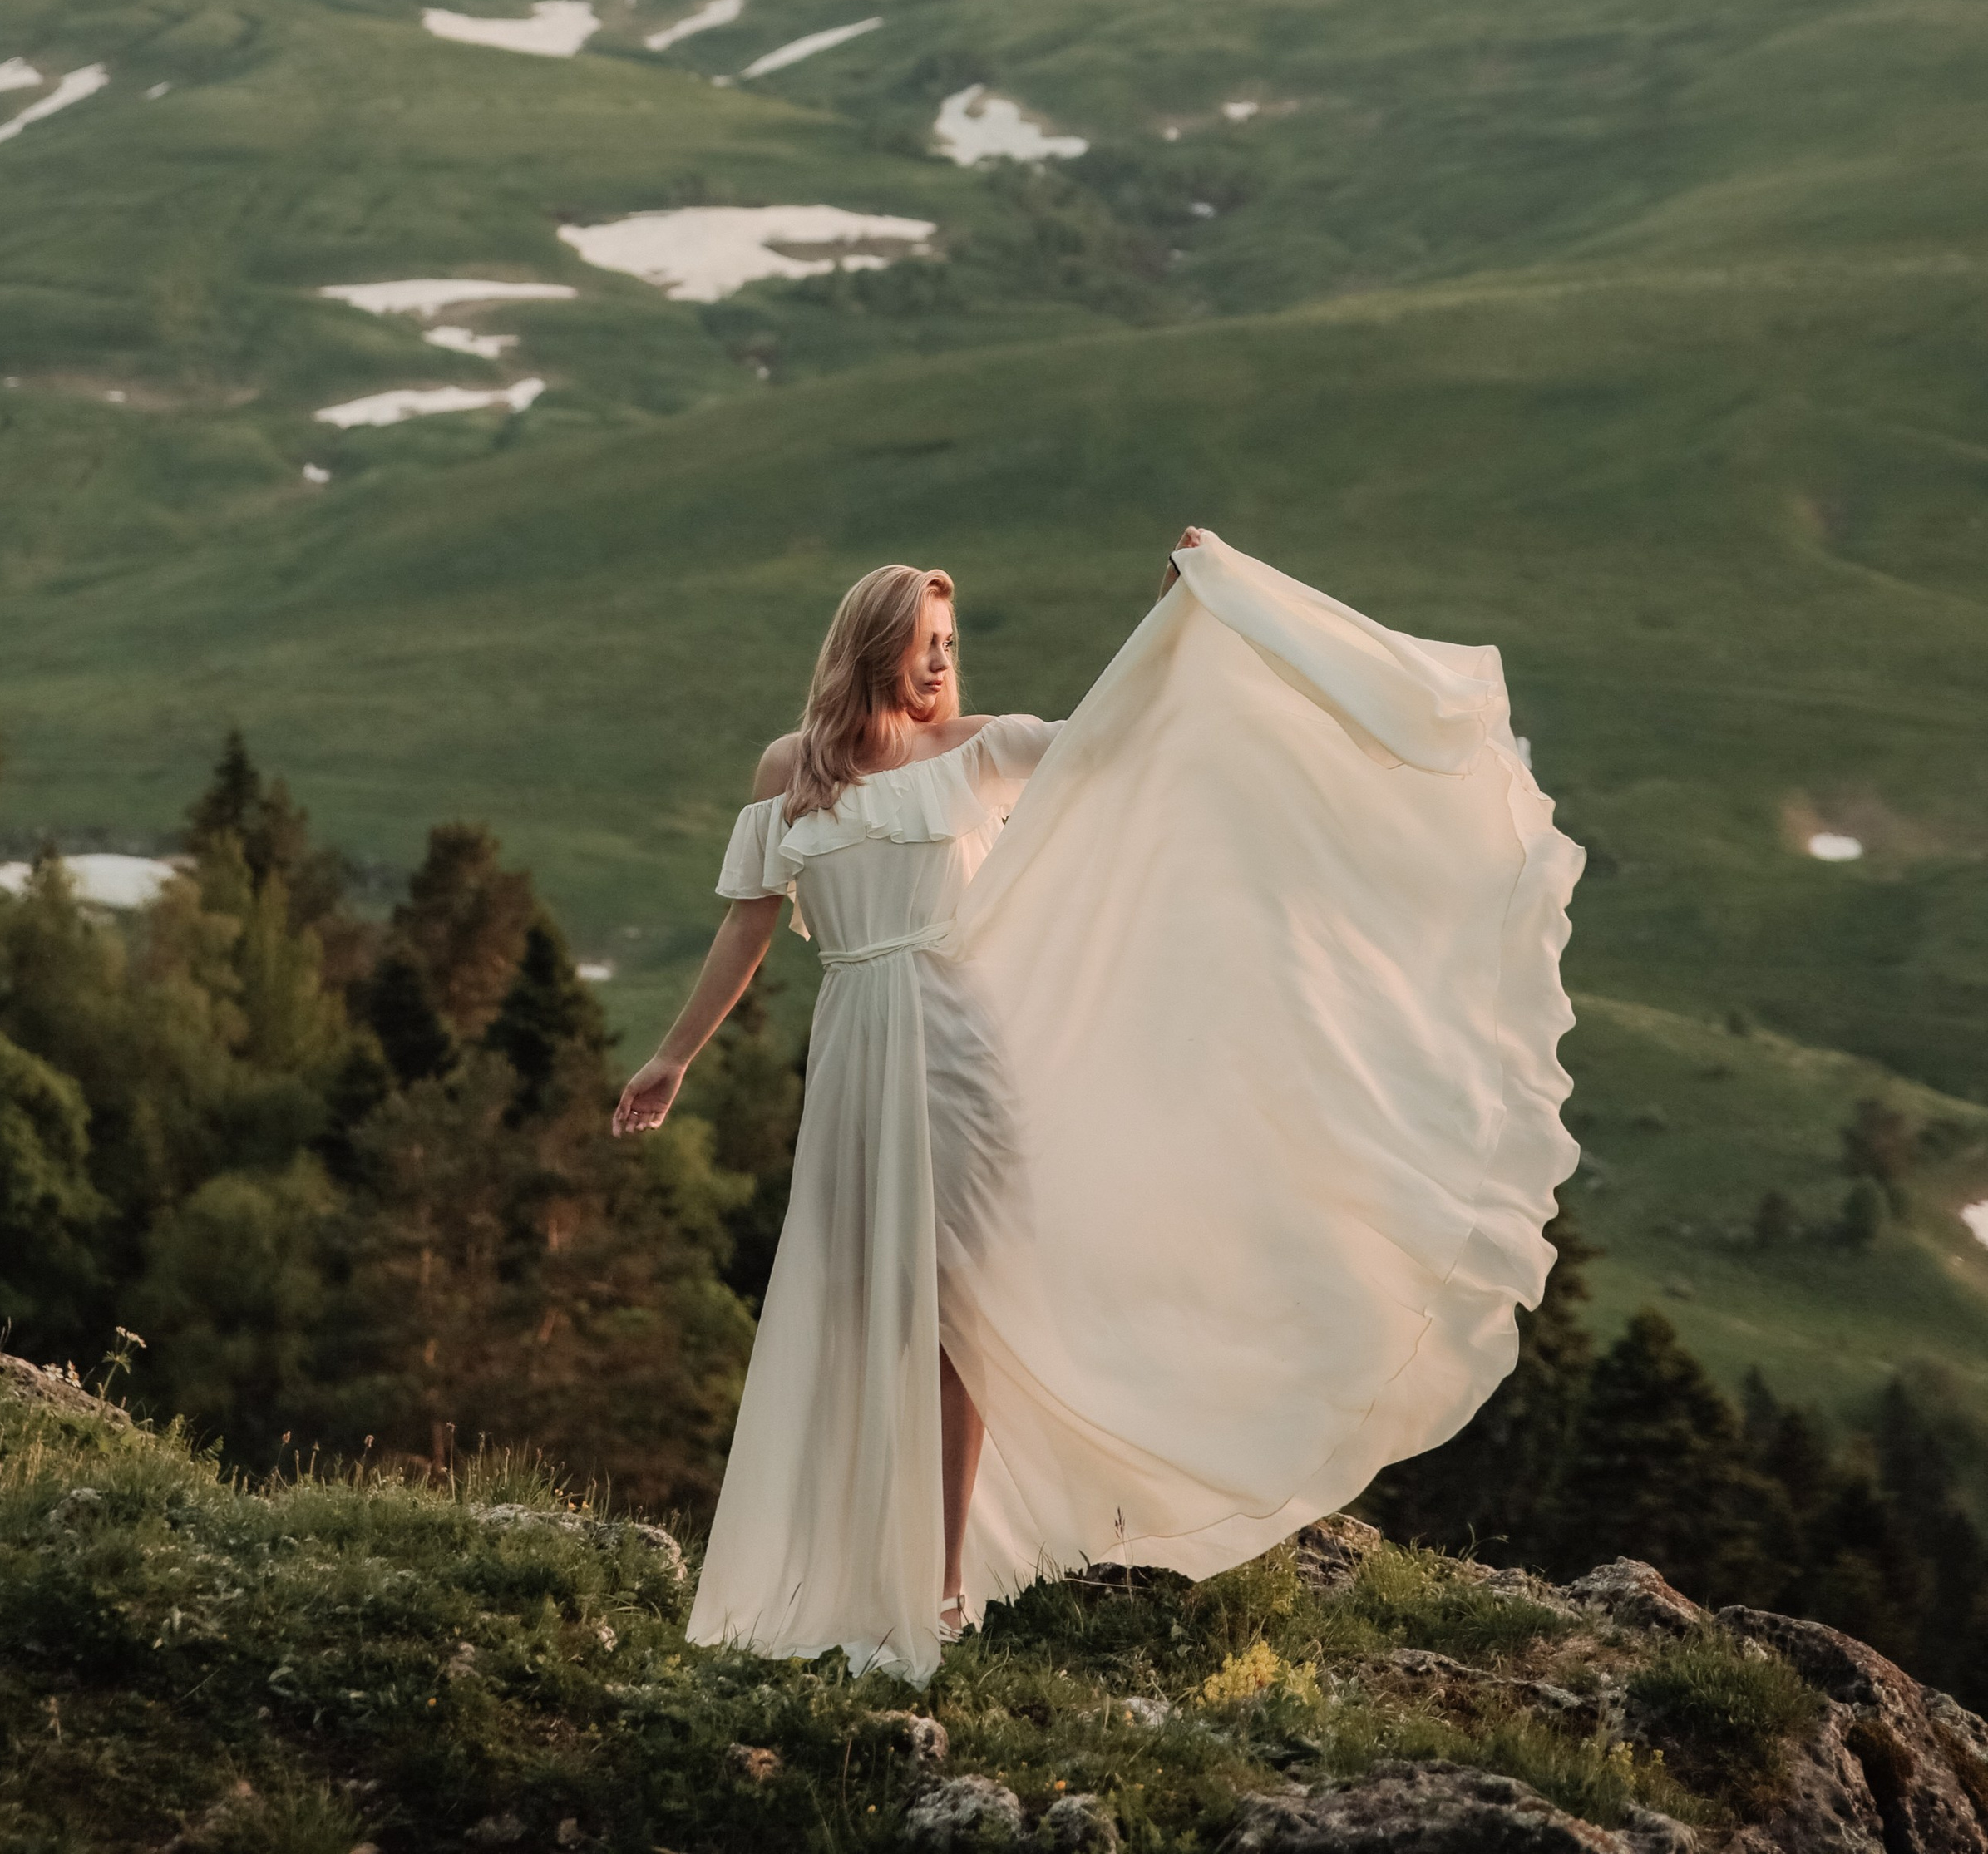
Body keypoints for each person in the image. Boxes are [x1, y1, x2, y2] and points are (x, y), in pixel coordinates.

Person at [614, 525, 1582, 1683]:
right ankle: (849, 1561)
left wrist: (1184, 616)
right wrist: (674, 1057)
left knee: (958, 1306)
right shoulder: (793, 770)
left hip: (962, 1045)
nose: (940, 662)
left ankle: (941, 1580)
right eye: (923, 643)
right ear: (870, 644)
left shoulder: (982, 750)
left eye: (949, 643)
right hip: (855, 1045)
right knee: (860, 1302)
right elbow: (748, 920)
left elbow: (1127, 742)